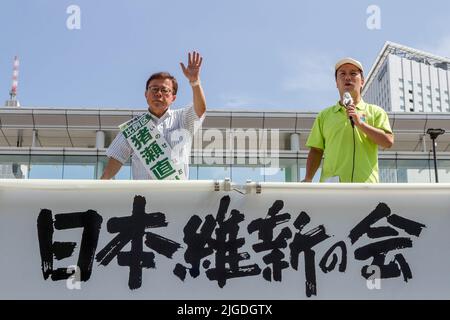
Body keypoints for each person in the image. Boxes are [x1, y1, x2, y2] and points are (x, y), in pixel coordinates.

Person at [101, 51, 206, 180]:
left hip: (178, 196)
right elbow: (116, 159)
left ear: (173, 97)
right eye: (154, 89)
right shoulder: (133, 127)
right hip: (143, 197)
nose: (158, 94)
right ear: (146, 94)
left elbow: (200, 109)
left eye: (164, 90)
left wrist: (195, 81)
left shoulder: (182, 118)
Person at [302, 57, 393, 183]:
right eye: (342, 74)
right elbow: (316, 150)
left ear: (362, 81)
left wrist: (360, 124)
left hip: (366, 188)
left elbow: (388, 141)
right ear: (336, 83)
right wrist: (308, 178)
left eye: (353, 73)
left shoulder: (376, 112)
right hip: (332, 188)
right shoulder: (324, 116)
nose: (347, 77)